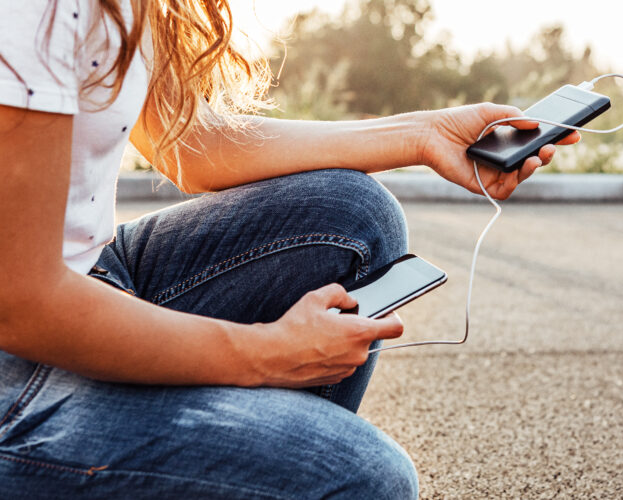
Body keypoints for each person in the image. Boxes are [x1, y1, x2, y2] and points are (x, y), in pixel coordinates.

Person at [0, 1, 579, 498]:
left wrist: (422, 135)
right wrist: (266, 354)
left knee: (352, 215)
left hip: (91, 272)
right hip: (17, 351)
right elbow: (20, 302)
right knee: (360, 476)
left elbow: (194, 144)